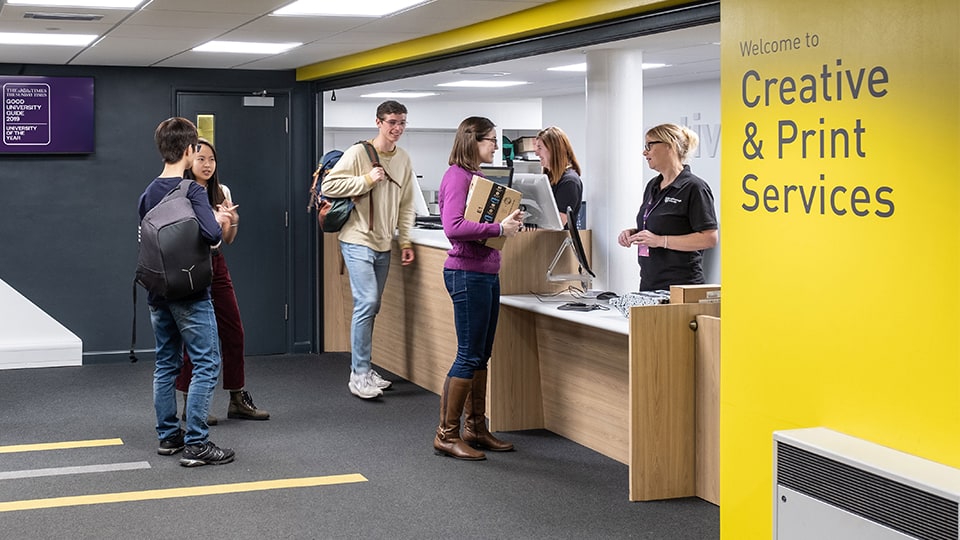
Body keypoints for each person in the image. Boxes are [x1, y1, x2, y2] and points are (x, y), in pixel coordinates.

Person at [138, 117, 235, 467]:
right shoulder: (192, 190)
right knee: (207, 362)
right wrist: (222, 221)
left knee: (166, 363)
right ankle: (197, 443)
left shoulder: (148, 192)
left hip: (157, 291)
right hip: (190, 293)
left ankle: (168, 436)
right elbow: (211, 236)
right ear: (190, 150)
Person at [433, 116, 523, 460]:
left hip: (485, 271)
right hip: (467, 273)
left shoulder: (477, 177)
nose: (495, 147)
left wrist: (506, 225)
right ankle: (446, 434)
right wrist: (499, 229)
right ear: (472, 141)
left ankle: (475, 427)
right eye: (491, 141)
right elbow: (454, 227)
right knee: (468, 354)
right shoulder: (457, 176)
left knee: (482, 354)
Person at [321, 100, 417, 399]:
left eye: (401, 122)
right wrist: (365, 180)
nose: (397, 128)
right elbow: (329, 186)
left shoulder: (403, 159)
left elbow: (406, 204)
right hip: (356, 238)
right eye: (391, 122)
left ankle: (365, 367)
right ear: (378, 122)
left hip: (383, 243)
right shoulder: (358, 153)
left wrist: (405, 240)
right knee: (367, 301)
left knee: (372, 306)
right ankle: (359, 373)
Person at [174, 138, 269, 423]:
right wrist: (214, 223)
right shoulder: (181, 192)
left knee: (234, 331)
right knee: (196, 337)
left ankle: (237, 397)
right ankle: (190, 401)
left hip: (216, 264)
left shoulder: (221, 191)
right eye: (201, 159)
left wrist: (231, 220)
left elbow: (226, 239)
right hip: (191, 265)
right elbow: (187, 235)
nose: (207, 164)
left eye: (211, 159)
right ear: (189, 161)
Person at [617, 123, 718, 291]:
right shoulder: (653, 185)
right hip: (650, 283)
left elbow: (709, 238)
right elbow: (662, 225)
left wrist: (661, 241)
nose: (645, 152)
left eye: (649, 145)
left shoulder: (694, 187)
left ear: (669, 145)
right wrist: (635, 233)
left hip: (682, 286)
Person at [534, 126, 583, 226]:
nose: (536, 153)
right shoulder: (550, 179)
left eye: (540, 148)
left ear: (553, 150)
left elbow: (557, 223)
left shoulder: (569, 182)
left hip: (557, 240)